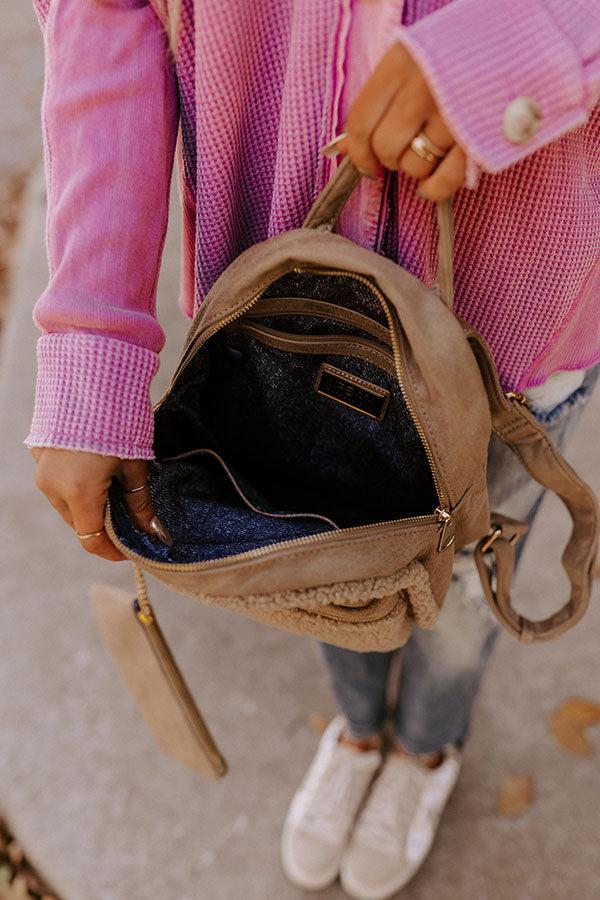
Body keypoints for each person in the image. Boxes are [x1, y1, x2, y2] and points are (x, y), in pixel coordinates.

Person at [27, 1, 600, 898]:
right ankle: (361, 730)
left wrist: (536, 42)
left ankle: (425, 745)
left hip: (516, 321)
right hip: (271, 305)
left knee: (463, 584)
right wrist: (90, 338)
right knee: (315, 550)